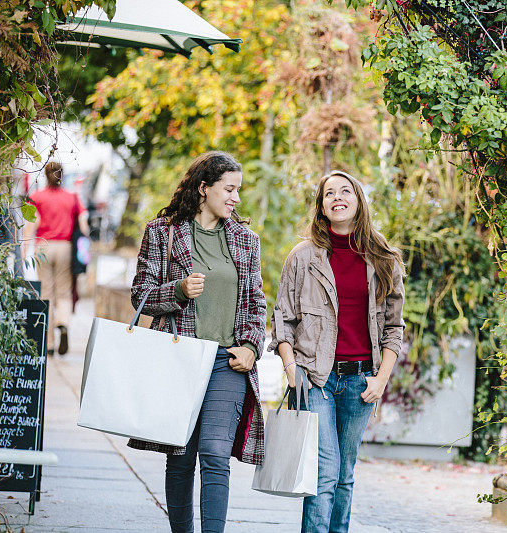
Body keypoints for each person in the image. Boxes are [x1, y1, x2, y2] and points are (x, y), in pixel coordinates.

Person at [128, 151, 266, 533]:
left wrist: (251, 348)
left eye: (238, 189)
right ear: (204, 188)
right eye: (229, 188)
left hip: (227, 362)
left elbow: (257, 303)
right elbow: (140, 293)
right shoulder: (163, 231)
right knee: (181, 455)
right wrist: (177, 290)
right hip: (180, 359)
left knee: (216, 453)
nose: (236, 197)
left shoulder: (245, 240)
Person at [270, 170, 406, 533]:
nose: (337, 197)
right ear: (322, 206)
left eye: (345, 191)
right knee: (325, 469)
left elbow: (394, 327)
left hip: (362, 381)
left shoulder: (383, 258)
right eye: (329, 193)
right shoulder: (303, 257)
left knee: (345, 473)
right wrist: (290, 367)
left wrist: (381, 380)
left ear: (359, 200)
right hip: (316, 379)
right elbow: (282, 317)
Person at [23, 161, 89, 355]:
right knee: (64, 293)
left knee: (46, 294)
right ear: (62, 175)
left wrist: (24, 250)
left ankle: (49, 344)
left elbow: (30, 225)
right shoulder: (72, 198)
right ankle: (63, 322)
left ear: (45, 175)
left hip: (43, 247)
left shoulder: (36, 197)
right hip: (65, 247)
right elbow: (84, 225)